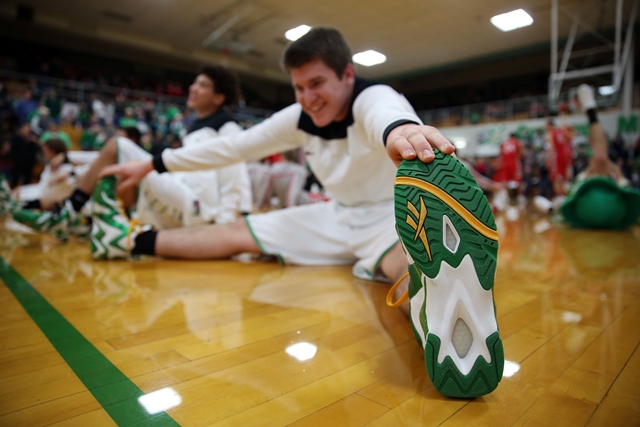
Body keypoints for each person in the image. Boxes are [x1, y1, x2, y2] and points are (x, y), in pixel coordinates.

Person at [95, 27, 503, 398]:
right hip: (334, 217)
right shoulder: (299, 117)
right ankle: (130, 239)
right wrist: (152, 164)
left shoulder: (371, 97)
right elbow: (231, 147)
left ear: (347, 74)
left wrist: (400, 131)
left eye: (317, 83)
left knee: (399, 263)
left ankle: (440, 307)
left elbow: (387, 112)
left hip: (389, 219)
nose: (308, 97)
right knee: (239, 232)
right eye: (298, 87)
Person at [3, 65, 253, 241]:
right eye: (195, 82)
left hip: (199, 209)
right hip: (182, 199)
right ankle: (81, 221)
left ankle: (69, 212)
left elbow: (236, 177)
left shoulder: (226, 125)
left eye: (203, 85)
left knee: (118, 146)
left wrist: (224, 227)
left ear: (219, 97)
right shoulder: (194, 127)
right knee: (112, 173)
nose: (193, 88)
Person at [556, 85, 640, 229]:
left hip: (600, 205)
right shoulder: (601, 170)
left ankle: (590, 111)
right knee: (601, 158)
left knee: (601, 158)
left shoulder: (599, 170)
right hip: (603, 208)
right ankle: (591, 111)